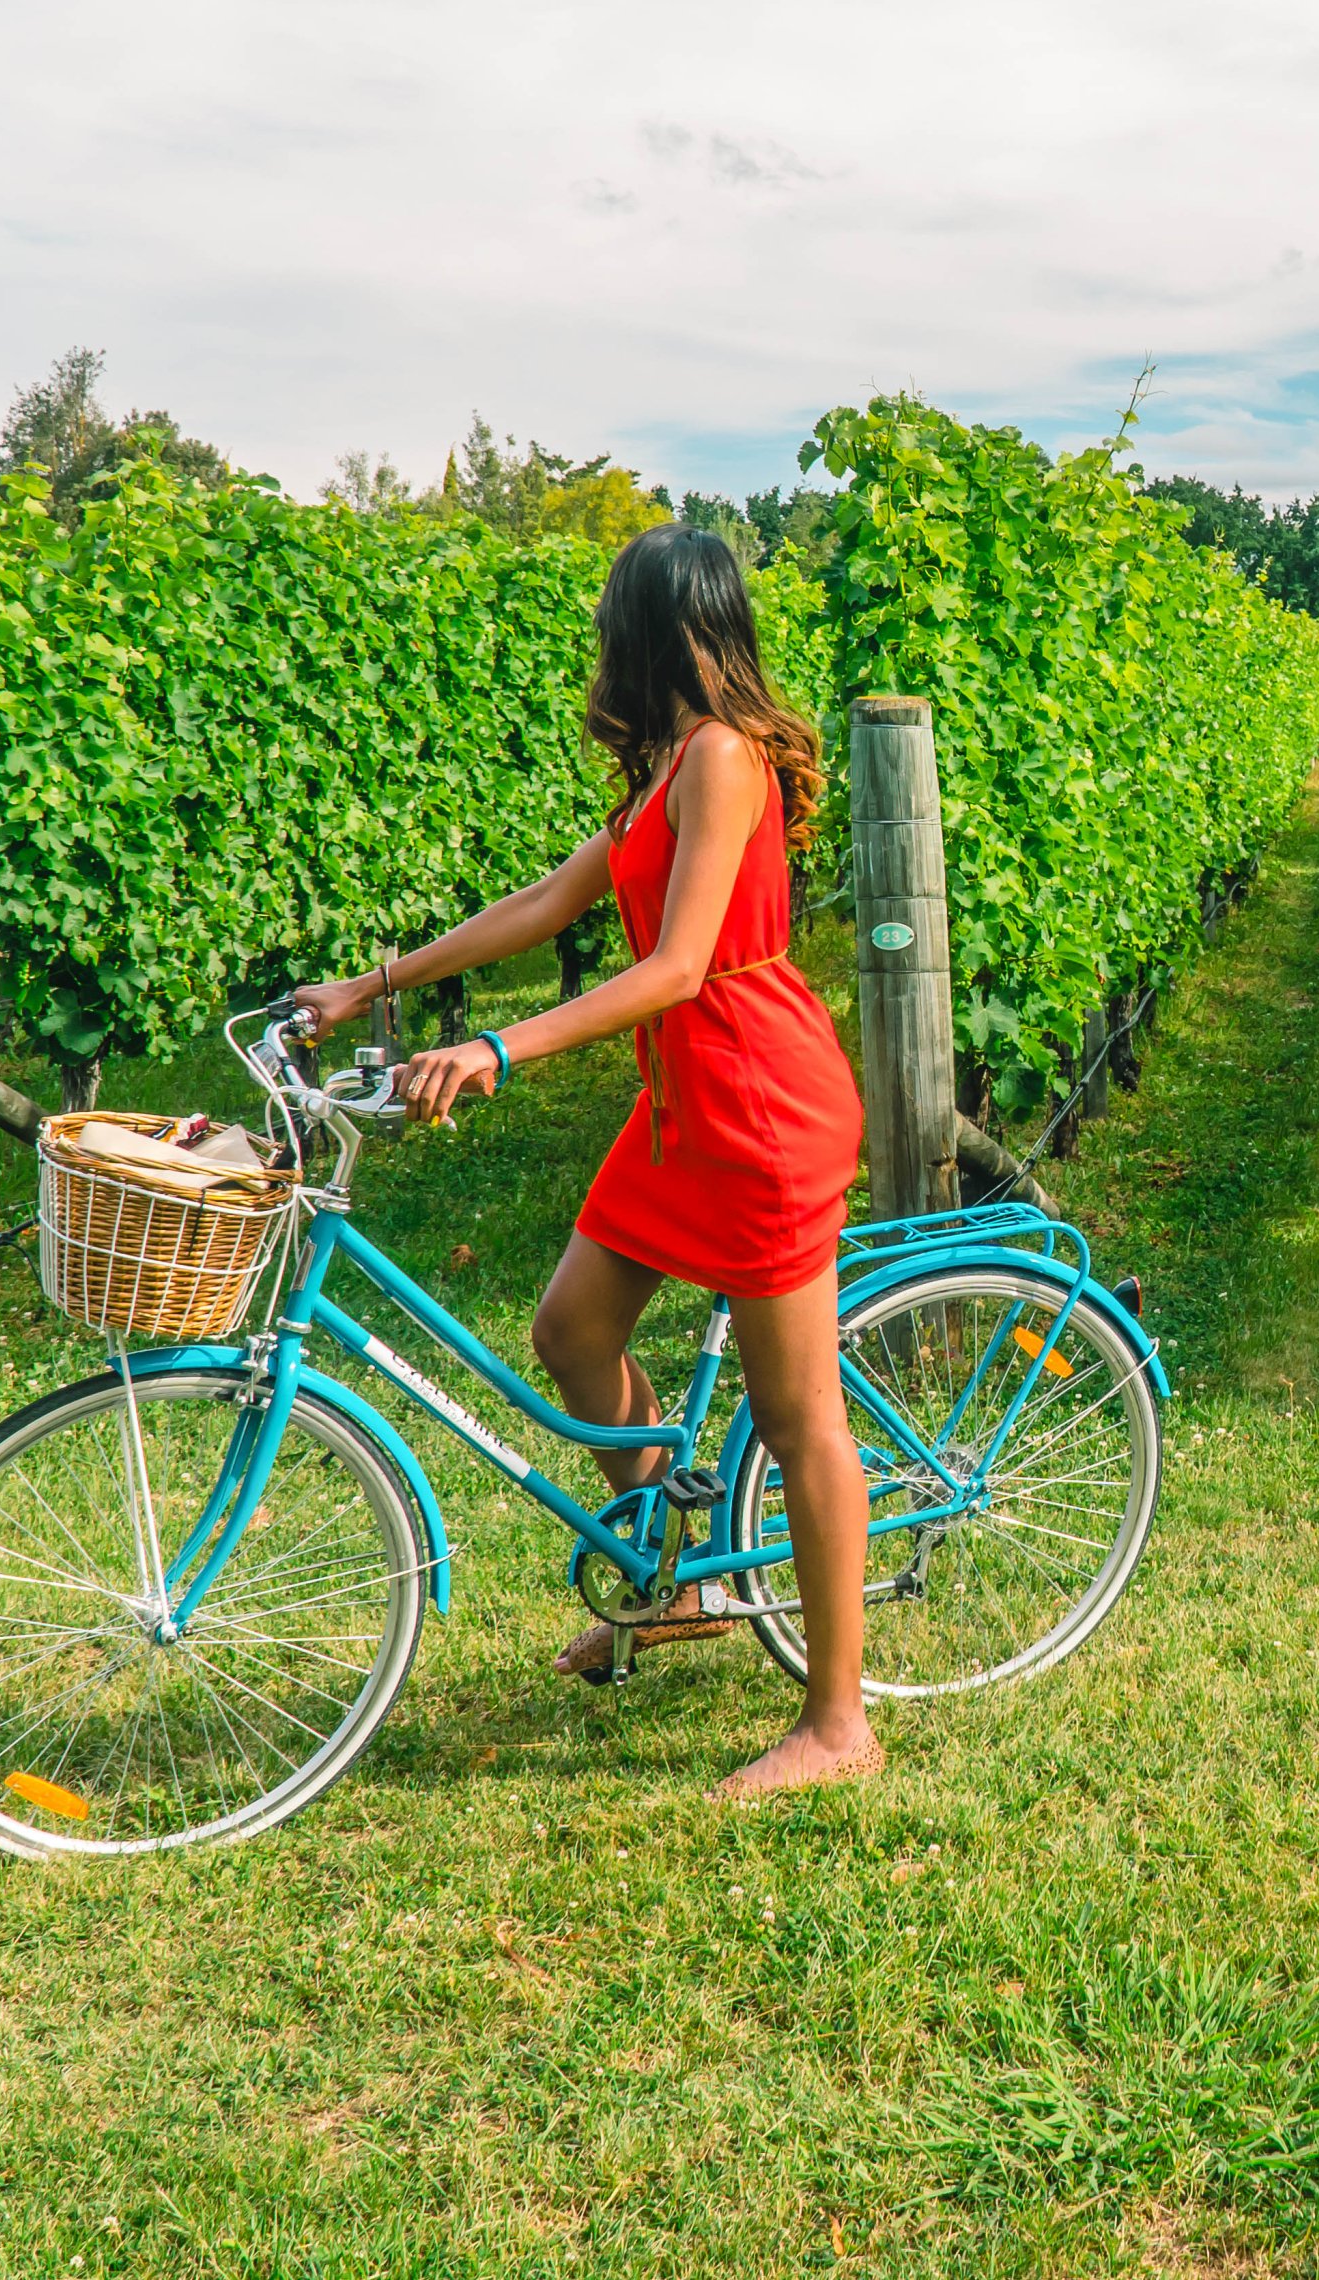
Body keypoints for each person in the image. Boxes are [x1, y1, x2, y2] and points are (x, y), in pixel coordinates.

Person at [283, 524, 874, 1797]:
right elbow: (545, 908)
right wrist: (367, 984)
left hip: (760, 1100)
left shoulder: (723, 759)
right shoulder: (667, 769)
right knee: (570, 1330)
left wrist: (500, 1046)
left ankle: (838, 1724)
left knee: (796, 1411)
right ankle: (680, 1582)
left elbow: (675, 969)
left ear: (652, 628)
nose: (602, 642)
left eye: (614, 618)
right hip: (684, 1104)